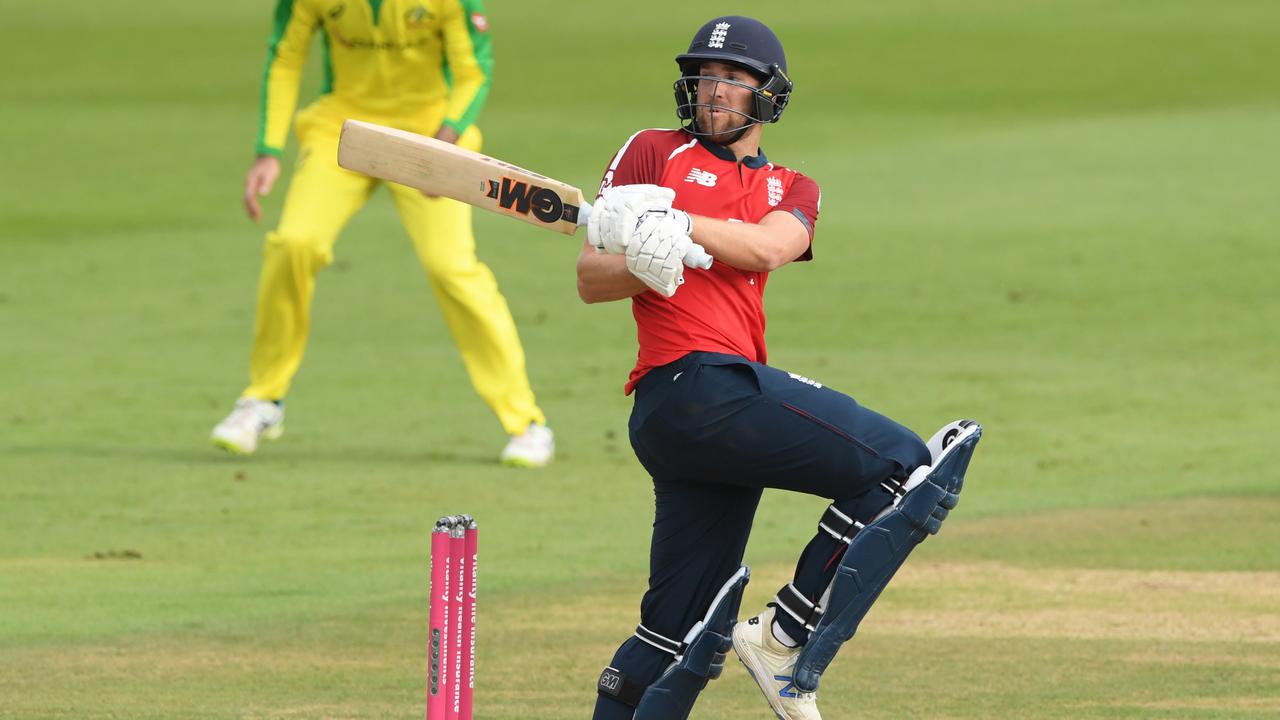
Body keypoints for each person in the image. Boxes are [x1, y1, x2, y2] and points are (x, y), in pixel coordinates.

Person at [576, 16, 982, 719]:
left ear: (769, 94)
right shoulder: (653, 151)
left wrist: (677, 226)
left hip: (711, 414)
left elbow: (768, 248)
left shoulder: (794, 187)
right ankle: (785, 635)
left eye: (734, 79)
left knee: (676, 633)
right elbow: (591, 277)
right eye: (707, 77)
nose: (716, 91)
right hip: (688, 388)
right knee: (902, 464)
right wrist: (645, 261)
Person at [211, 0, 554, 467]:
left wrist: (445, 144)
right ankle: (263, 400)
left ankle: (526, 423)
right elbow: (285, 56)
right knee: (295, 243)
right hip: (344, 129)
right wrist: (268, 149)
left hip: (430, 134)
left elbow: (474, 70)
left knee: (451, 267)